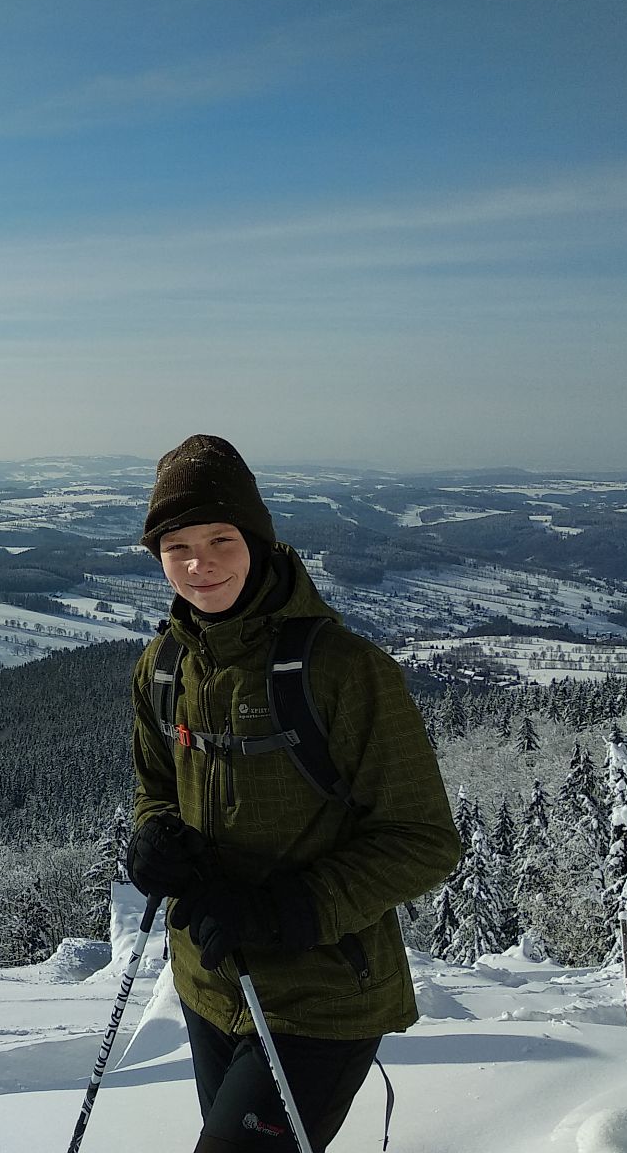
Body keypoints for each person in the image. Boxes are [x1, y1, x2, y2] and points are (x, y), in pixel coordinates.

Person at [125, 435, 459, 1153]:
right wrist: (152, 838)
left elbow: (424, 840)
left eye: (220, 539)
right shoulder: (163, 667)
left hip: (323, 997)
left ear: (258, 540)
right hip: (211, 984)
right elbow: (155, 788)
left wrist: (285, 910)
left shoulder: (343, 670)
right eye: (177, 546)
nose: (199, 564)